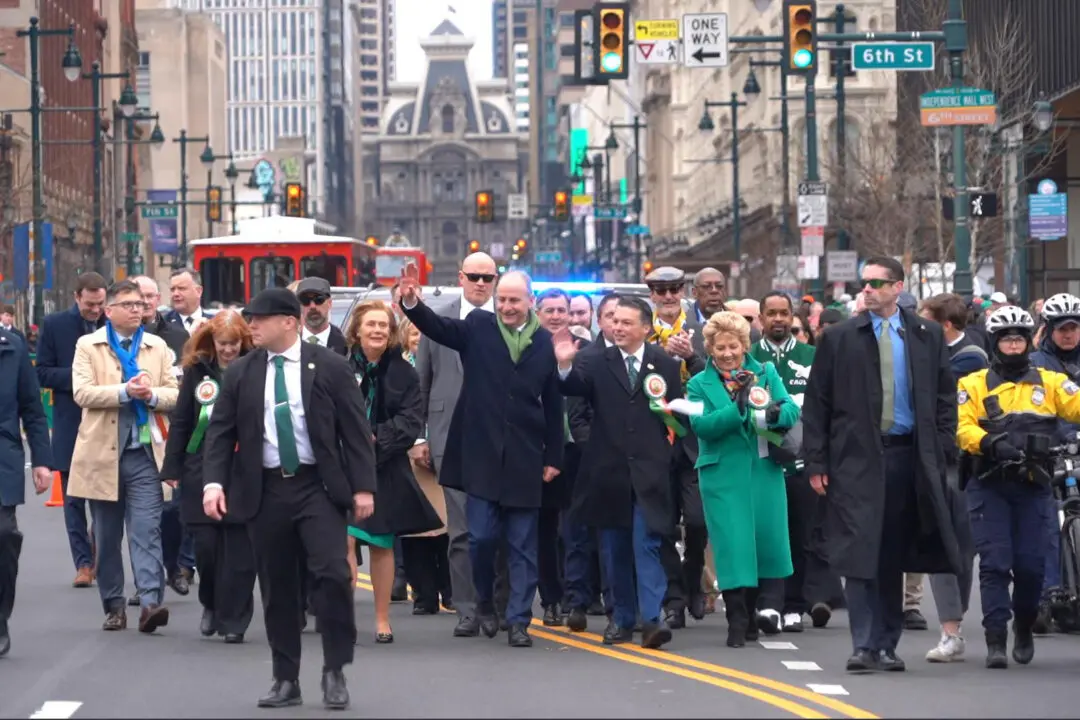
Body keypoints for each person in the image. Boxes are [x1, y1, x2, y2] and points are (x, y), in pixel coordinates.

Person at [201, 288, 376, 709]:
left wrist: (363, 487)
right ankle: (285, 678)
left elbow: (355, 431)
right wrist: (213, 484)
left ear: (289, 322)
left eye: (259, 319)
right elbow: (220, 432)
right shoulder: (242, 372)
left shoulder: (330, 367)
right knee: (277, 586)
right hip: (265, 489)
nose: (252, 326)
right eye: (250, 319)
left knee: (332, 574)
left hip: (317, 487)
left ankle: (335, 669)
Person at [802, 256, 962, 673]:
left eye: (876, 283)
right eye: (865, 283)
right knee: (860, 550)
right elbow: (817, 404)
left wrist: (942, 446)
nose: (868, 290)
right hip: (855, 460)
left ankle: (887, 644)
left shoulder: (926, 334)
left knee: (892, 553)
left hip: (908, 456)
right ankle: (863, 644)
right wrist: (817, 462)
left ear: (897, 287)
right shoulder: (839, 337)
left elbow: (945, 396)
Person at [401, 266, 563, 649]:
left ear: (530, 301)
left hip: (525, 457)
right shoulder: (477, 326)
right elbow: (438, 328)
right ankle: (485, 602)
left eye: (514, 300)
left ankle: (519, 621)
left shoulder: (544, 342)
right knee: (482, 538)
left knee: (522, 546)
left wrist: (553, 456)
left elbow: (553, 403)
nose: (506, 306)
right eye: (501, 299)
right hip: (481, 455)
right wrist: (411, 303)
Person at [554, 295, 681, 649]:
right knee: (614, 549)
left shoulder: (664, 364)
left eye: (627, 322)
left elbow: (676, 418)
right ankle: (622, 619)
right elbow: (572, 387)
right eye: (614, 322)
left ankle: (652, 619)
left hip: (649, 473)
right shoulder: (595, 361)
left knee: (647, 543)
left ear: (646, 328)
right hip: (607, 473)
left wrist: (666, 453)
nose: (618, 327)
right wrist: (564, 365)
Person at [957, 305, 1080, 669]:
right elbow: (962, 428)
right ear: (995, 342)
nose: (1013, 345)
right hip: (989, 484)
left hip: (1034, 485)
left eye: (1019, 339)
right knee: (995, 564)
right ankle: (996, 637)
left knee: (1031, 567)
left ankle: (1023, 626)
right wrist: (990, 443)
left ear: (1029, 341)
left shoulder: (1051, 382)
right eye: (1006, 339)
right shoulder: (973, 384)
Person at [68, 280, 180, 633]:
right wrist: (124, 391)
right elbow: (82, 393)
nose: (136, 309)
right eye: (128, 304)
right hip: (102, 455)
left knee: (147, 530)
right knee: (107, 535)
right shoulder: (89, 345)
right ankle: (114, 605)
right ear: (109, 311)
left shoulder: (156, 346)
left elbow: (175, 394)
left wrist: (151, 396)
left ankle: (150, 603)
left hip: (145, 453)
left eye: (140, 304)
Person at [687, 311, 799, 647]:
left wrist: (775, 413)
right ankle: (737, 620)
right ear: (709, 348)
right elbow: (702, 426)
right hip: (722, 475)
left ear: (744, 345)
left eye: (733, 346)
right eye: (719, 347)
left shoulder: (765, 372)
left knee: (765, 543)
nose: (727, 354)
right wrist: (736, 407)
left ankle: (757, 612)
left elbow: (791, 409)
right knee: (733, 545)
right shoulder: (697, 384)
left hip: (763, 470)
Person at [344, 300, 441, 643]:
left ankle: (382, 619)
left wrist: (373, 439)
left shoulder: (404, 372)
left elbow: (411, 421)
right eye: (371, 324)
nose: (377, 330)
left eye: (383, 325)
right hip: (343, 466)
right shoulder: (339, 367)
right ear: (357, 330)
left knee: (381, 545)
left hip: (384, 466)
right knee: (344, 540)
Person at [413, 252, 497, 638]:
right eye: (473, 276)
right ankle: (467, 609)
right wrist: (420, 436)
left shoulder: (509, 319)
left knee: (496, 531)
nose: (480, 283)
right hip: (449, 437)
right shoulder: (438, 318)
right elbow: (423, 380)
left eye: (487, 278)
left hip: (497, 441)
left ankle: (497, 604)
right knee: (461, 531)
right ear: (460, 277)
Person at [160, 310, 256, 643]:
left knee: (240, 552)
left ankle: (236, 620)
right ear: (211, 342)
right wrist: (172, 466)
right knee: (207, 548)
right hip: (199, 465)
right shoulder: (196, 370)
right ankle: (212, 603)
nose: (228, 350)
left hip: (243, 467)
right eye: (222, 343)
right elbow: (182, 420)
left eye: (234, 343)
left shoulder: (256, 368)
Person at [749, 292, 839, 634]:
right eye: (771, 313)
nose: (778, 319)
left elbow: (826, 410)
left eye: (784, 313)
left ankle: (795, 606)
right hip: (761, 463)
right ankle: (767, 603)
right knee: (766, 534)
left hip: (803, 463)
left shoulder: (811, 357)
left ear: (792, 317)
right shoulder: (749, 358)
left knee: (802, 535)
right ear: (761, 318)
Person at [643, 266, 709, 628]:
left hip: (696, 438)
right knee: (663, 525)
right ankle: (674, 598)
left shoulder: (701, 330)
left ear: (683, 291)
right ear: (652, 294)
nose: (668, 296)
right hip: (656, 439)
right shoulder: (642, 331)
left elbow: (720, 379)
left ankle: (693, 575)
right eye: (661, 290)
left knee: (697, 520)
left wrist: (690, 356)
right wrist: (658, 355)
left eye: (674, 289)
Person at [35, 271, 108, 588]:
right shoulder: (55, 325)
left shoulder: (112, 325)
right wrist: (81, 379)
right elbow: (43, 373)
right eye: (90, 304)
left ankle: (98, 553)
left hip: (106, 426)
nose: (96, 310)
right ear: (77, 297)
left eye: (100, 303)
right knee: (73, 501)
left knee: (104, 501)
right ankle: (83, 564)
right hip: (70, 426)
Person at [0, 327, 54, 656]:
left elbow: (32, 408)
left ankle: (0, 617)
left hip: (2, 454)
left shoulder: (12, 347)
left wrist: (42, 461)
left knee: (4, 533)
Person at [1030, 292, 1080, 633]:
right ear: (1048, 329)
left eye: (1074, 328)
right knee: (1047, 520)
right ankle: (1047, 594)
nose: (1068, 334)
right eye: (1062, 329)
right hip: (1051, 449)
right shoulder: (1035, 363)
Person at [398, 316, 453, 615]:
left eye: (424, 333)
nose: (420, 338)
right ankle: (423, 594)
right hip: (411, 453)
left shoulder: (449, 360)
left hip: (444, 450)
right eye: (414, 333)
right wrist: (417, 440)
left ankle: (451, 590)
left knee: (447, 529)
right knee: (416, 532)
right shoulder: (400, 368)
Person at [296, 277, 347, 354]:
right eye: (305, 301)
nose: (312, 306)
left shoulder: (346, 346)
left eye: (318, 300)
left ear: (329, 303)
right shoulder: (289, 344)